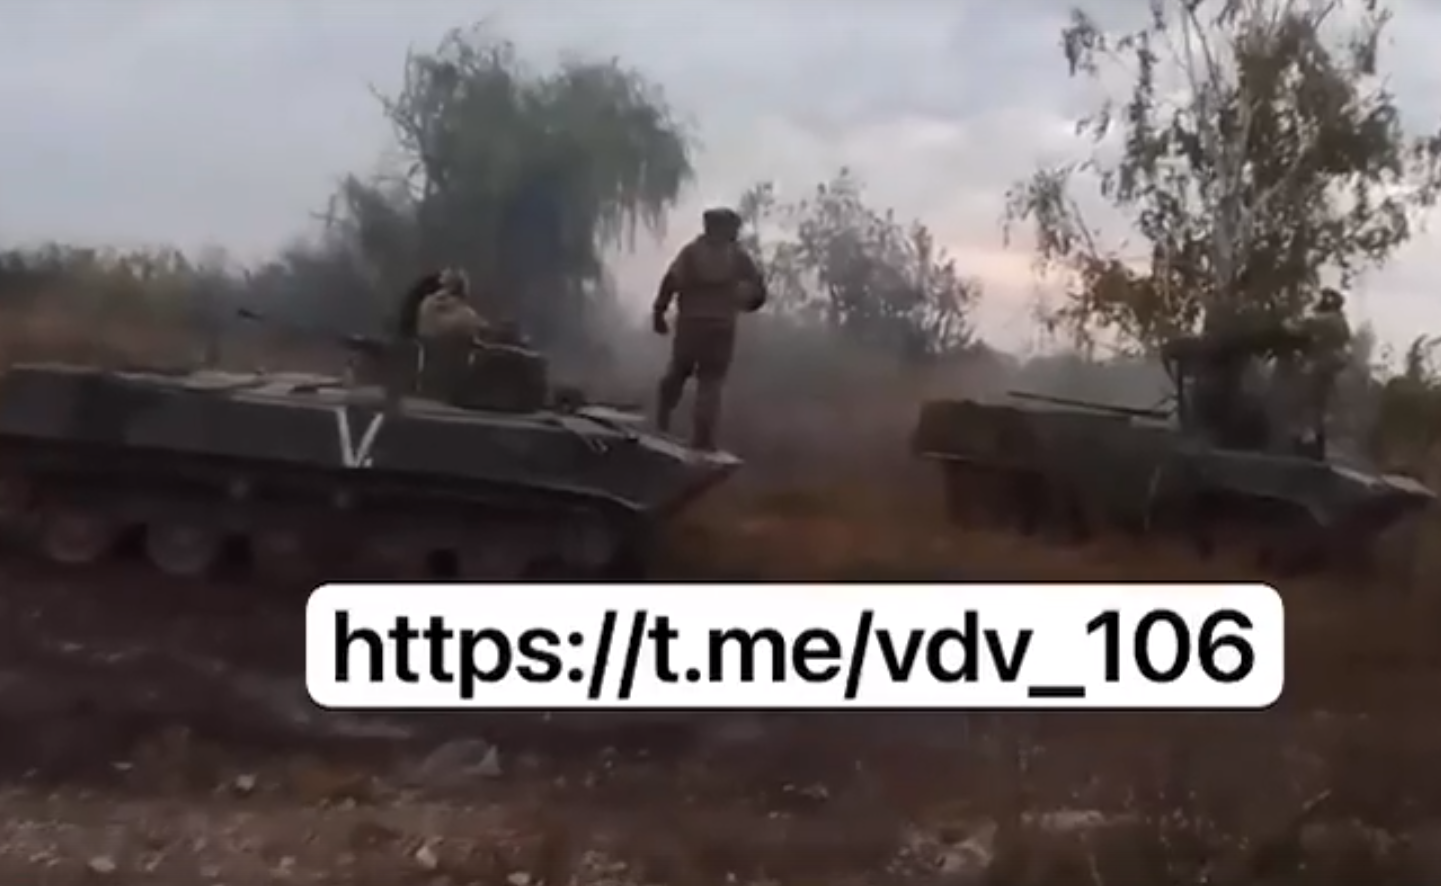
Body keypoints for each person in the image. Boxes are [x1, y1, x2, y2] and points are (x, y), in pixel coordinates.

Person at [651, 207, 767, 450]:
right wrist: (748, 303)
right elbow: (758, 289)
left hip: (691, 325)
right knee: (711, 383)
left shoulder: (691, 253)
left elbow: (671, 280)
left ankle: (662, 417)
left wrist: (659, 312)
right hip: (721, 327)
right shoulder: (737, 256)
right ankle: (702, 438)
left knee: (678, 372)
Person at [416, 268, 492, 343]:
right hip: (452, 348)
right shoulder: (462, 311)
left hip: (427, 347)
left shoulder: (426, 303)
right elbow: (480, 326)